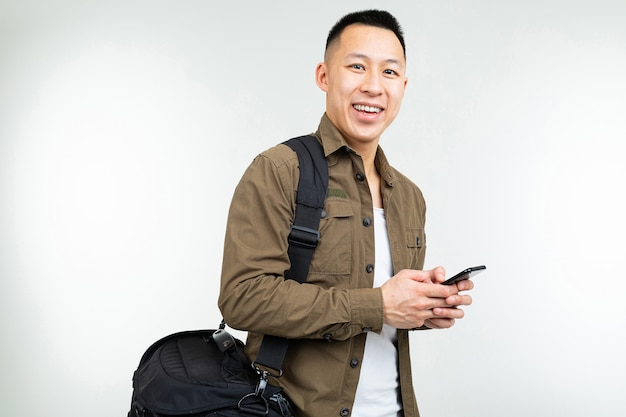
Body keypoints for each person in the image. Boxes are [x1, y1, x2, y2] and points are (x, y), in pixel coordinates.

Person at [218, 9, 474, 417]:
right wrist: (377, 306)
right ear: (324, 76)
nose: (374, 86)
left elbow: (382, 309)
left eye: (390, 73)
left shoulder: (409, 196)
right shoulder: (281, 170)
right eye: (357, 66)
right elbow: (242, 298)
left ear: (404, 87)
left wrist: (422, 308)